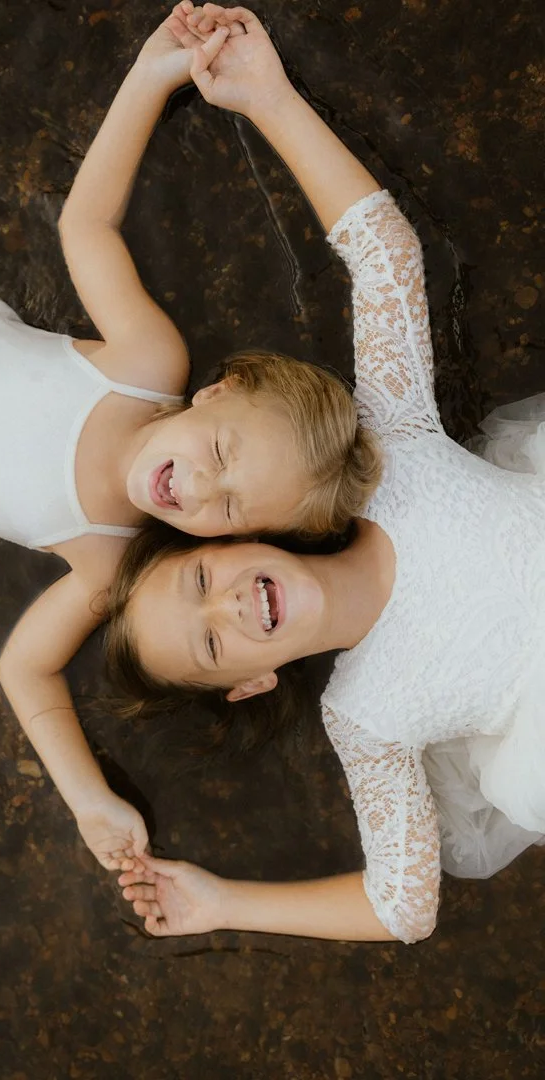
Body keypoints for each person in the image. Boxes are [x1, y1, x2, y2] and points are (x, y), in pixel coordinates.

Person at [0, 6, 380, 870]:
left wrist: (90, 800)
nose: (195, 488)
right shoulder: (144, 361)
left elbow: (25, 671)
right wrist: (151, 74)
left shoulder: (111, 561)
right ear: (213, 391)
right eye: (220, 454)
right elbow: (87, 224)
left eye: (224, 508)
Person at [110, 4, 545, 944]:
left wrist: (268, 98)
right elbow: (403, 904)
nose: (228, 609)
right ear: (251, 685)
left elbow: (386, 259)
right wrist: (221, 901)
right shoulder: (366, 718)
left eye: (199, 581)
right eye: (214, 646)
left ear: (235, 538)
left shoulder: (390, 456)